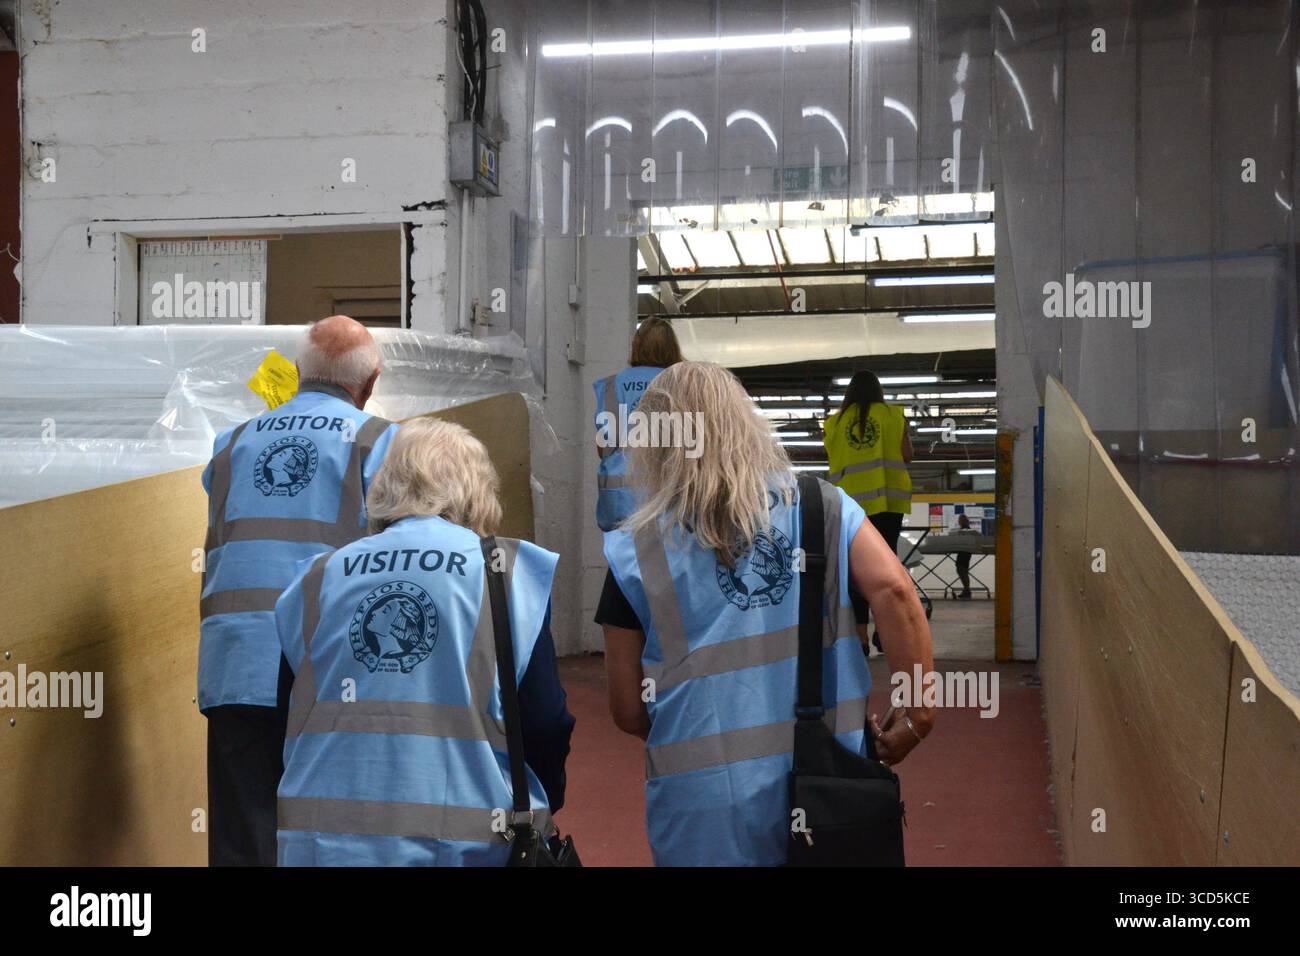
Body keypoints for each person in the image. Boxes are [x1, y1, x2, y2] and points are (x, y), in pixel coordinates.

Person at [595, 362, 935, 866]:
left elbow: (626, 708)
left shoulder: (635, 548)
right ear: (748, 424)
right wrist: (919, 712)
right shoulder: (825, 507)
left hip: (702, 809)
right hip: (828, 787)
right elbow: (895, 591)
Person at [274, 418, 575, 866]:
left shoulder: (318, 577)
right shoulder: (505, 574)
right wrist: (540, 797)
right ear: (478, 492)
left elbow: (285, 718)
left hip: (323, 842)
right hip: (461, 843)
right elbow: (544, 719)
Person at [199, 315, 399, 866]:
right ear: (371, 381)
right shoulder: (384, 444)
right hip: (329, 672)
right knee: (333, 835)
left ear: (295, 372)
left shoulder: (229, 443)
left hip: (236, 662)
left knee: (243, 835)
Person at [822, 370, 914, 653]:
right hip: (887, 503)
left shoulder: (834, 423)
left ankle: (860, 636)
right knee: (886, 569)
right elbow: (907, 456)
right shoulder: (894, 416)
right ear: (878, 391)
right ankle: (884, 635)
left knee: (852, 570)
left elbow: (833, 458)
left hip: (848, 505)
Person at [593, 316, 683, 531]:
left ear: (637, 345)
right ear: (672, 348)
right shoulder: (683, 384)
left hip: (619, 500)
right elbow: (692, 448)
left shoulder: (612, 385)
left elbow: (604, 447)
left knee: (623, 561)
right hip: (667, 498)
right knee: (663, 562)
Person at [954, 513, 976, 599]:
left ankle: (967, 590)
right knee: (962, 570)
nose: (959, 521)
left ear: (962, 521)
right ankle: (966, 589)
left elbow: (962, 541)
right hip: (965, 552)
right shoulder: (966, 529)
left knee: (961, 570)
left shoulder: (965, 529)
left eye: (960, 520)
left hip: (964, 552)